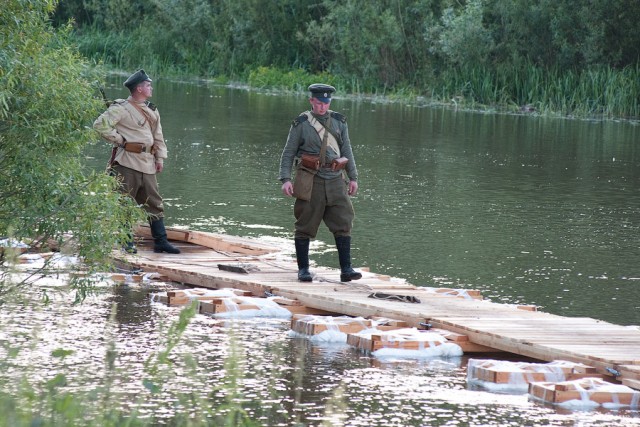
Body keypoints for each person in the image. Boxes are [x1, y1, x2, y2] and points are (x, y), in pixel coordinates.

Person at [279, 83, 362, 282]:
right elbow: (288, 153)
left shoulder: (339, 122)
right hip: (310, 179)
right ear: (311, 101)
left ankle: (346, 269)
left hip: (335, 179)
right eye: (319, 103)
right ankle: (303, 270)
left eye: (326, 103)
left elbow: (347, 150)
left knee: (343, 220)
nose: (322, 107)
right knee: (305, 223)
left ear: (329, 102)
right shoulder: (302, 124)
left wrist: (353, 177)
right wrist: (285, 179)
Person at [93, 69, 180, 254]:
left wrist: (160, 158)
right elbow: (100, 125)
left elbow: (158, 136)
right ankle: (126, 242)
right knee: (124, 203)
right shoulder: (121, 108)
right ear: (139, 88)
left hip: (148, 163)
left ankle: (161, 242)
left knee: (154, 203)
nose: (151, 88)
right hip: (127, 163)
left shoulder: (151, 110)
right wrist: (121, 141)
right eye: (148, 85)